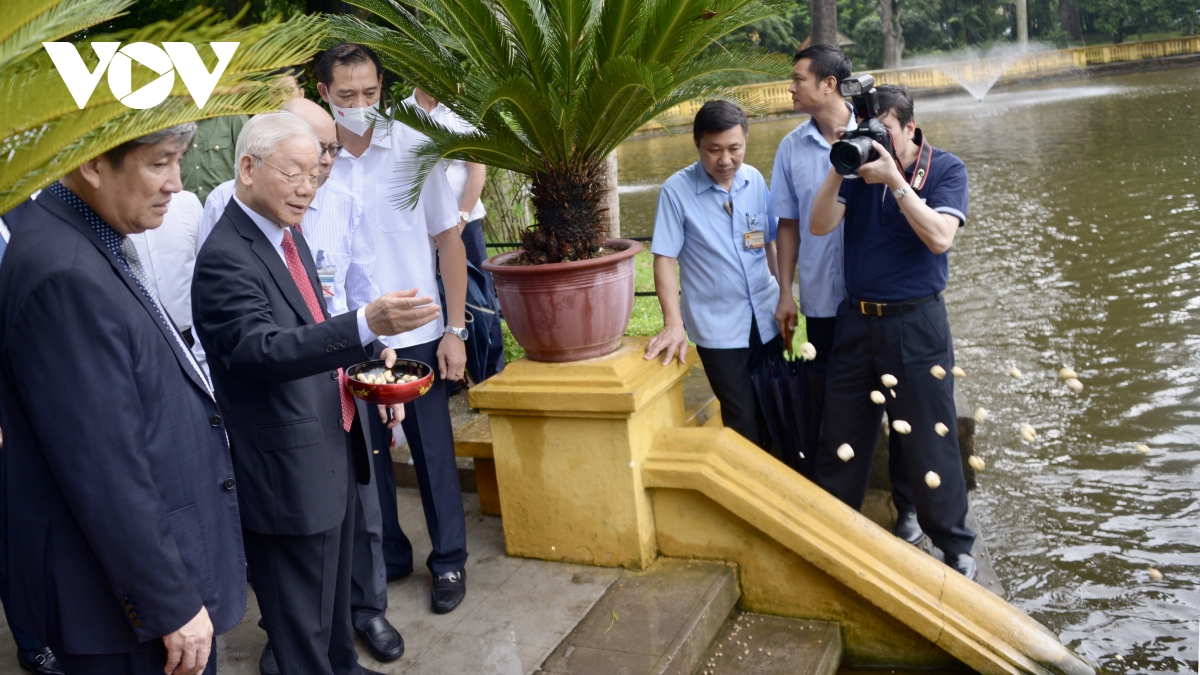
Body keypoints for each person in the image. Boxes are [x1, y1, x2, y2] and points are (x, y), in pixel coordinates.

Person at [192, 111, 439, 675]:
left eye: (318, 170)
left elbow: (313, 321)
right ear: (248, 168)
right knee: (299, 637)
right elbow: (265, 351)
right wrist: (364, 323)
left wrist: (375, 366)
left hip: (334, 448)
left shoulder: (285, 234)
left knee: (333, 624)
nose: (310, 186)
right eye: (295, 173)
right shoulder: (226, 256)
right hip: (287, 475)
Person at [0, 123, 245, 674]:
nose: (177, 184)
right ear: (92, 163)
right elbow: (104, 469)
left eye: (179, 160)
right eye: (159, 162)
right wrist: (170, 603)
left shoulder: (82, 235)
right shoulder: (65, 275)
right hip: (124, 610)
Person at [317, 42, 472, 615]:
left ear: (384, 87)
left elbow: (448, 240)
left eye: (371, 93)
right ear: (322, 93)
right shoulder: (316, 162)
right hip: (351, 336)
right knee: (369, 456)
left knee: (433, 453)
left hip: (419, 334)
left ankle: (450, 560)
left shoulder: (413, 145)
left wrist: (454, 328)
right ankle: (390, 554)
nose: (361, 105)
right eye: (346, 95)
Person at [808, 84, 978, 579]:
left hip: (916, 322)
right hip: (856, 320)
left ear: (909, 126)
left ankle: (953, 544)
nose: (878, 141)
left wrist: (896, 182)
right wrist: (837, 169)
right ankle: (831, 532)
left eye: (886, 131)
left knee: (931, 437)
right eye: (871, 131)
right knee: (840, 432)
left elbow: (940, 237)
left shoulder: (945, 168)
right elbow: (819, 226)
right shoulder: (858, 169)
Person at [770, 46, 926, 546]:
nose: (790, 87)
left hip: (883, 297)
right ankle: (838, 508)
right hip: (824, 301)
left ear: (830, 85)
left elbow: (917, 200)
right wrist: (785, 292)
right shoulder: (791, 148)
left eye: (798, 79)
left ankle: (909, 508)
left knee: (903, 406)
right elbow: (790, 226)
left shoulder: (882, 131)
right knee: (837, 407)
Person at [644, 100, 782, 448]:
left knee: (776, 407)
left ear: (745, 142)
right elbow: (664, 260)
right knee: (743, 419)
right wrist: (673, 322)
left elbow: (769, 243)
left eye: (734, 149)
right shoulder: (676, 192)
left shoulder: (754, 180)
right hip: (719, 328)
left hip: (766, 318)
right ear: (697, 144)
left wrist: (785, 295)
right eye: (714, 150)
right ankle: (751, 493)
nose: (725, 160)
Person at [0, 196, 66, 675]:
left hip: (43, 389)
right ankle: (32, 640)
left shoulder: (34, 206)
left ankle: (52, 626)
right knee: (13, 531)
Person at [407, 86, 505, 380]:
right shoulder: (399, 113)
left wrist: (459, 219)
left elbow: (478, 171)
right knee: (436, 296)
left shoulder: (463, 112)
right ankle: (452, 375)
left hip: (466, 222)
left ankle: (492, 372)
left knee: (480, 296)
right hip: (423, 228)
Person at [127, 189, 203, 346]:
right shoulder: (110, 213)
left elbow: (208, 271)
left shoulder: (187, 203)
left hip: (195, 339)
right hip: (141, 343)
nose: (176, 182)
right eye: (159, 165)